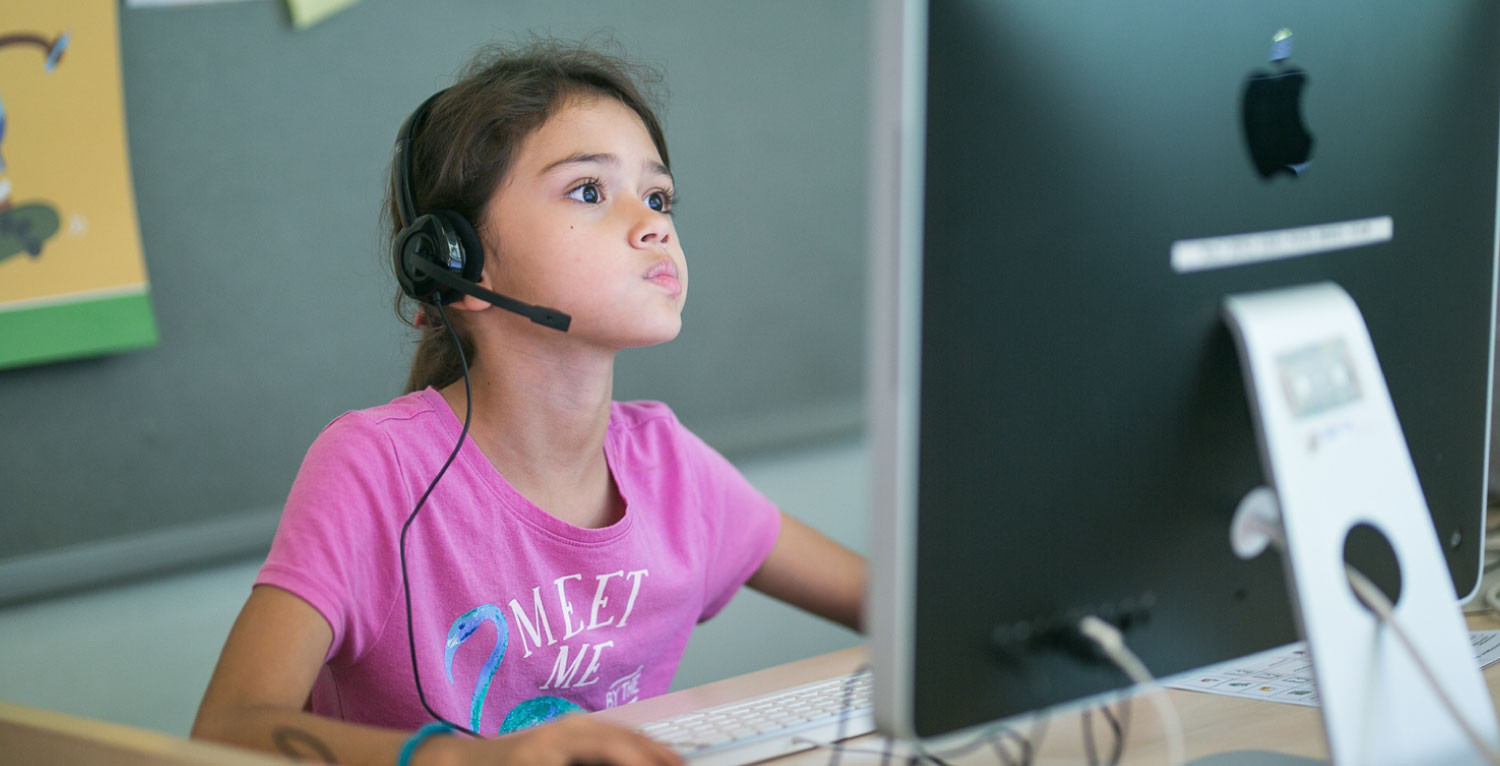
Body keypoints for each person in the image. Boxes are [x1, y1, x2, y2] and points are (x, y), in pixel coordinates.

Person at [191, 38, 866, 766]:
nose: (654, 224)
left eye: (659, 196)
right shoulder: (376, 467)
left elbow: (910, 607)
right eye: (588, 191)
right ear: (453, 263)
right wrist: (468, 761)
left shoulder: (670, 469)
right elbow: (227, 728)